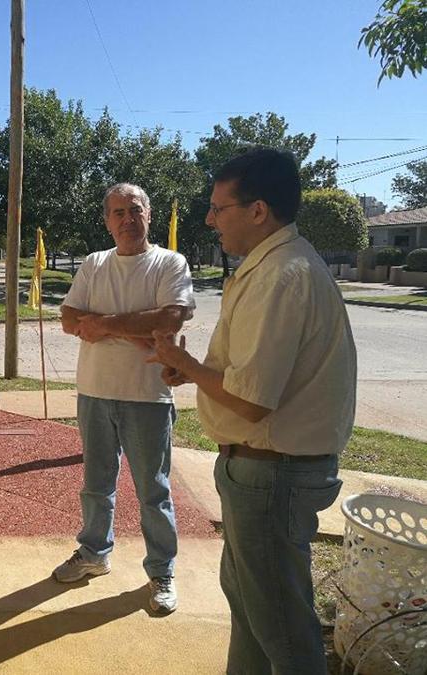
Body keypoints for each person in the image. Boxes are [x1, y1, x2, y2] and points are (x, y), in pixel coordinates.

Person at [148, 146, 356, 674]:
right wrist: (191, 368)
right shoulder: (276, 267)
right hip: (262, 471)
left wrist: (184, 363)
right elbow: (245, 377)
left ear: (258, 210)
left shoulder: (283, 274)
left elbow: (250, 398)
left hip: (272, 474)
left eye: (219, 208)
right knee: (252, 610)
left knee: (281, 627)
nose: (209, 219)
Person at [52, 182, 195, 615]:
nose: (127, 220)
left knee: (154, 490)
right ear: (107, 220)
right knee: (97, 485)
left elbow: (171, 316)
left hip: (148, 397)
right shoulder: (95, 264)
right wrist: (137, 329)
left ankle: (162, 572)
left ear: (148, 215)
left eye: (135, 210)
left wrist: (106, 325)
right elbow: (69, 318)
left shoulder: (170, 262)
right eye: (117, 212)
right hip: (94, 393)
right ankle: (94, 553)